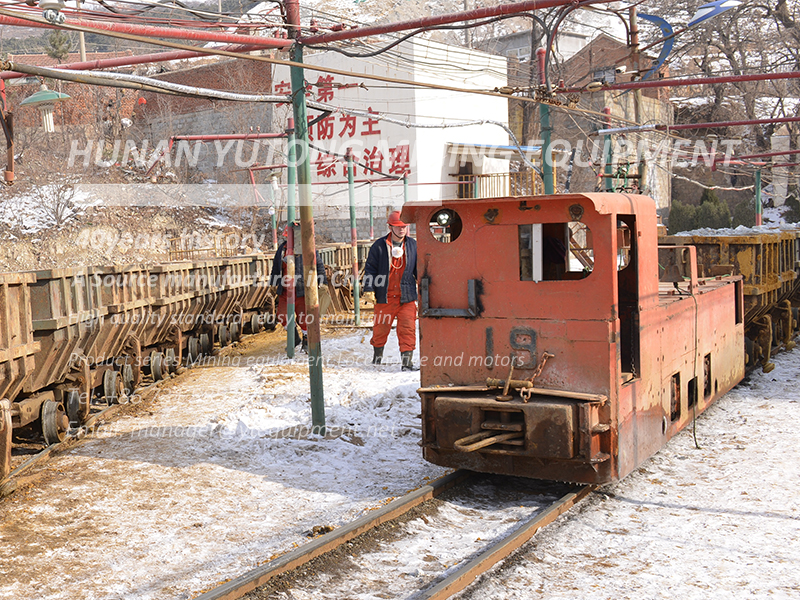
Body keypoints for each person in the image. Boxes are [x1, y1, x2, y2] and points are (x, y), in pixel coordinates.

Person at [363, 210, 418, 370]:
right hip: (384, 297)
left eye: (404, 227)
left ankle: (407, 364)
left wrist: (424, 289)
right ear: (390, 227)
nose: (402, 230)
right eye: (398, 226)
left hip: (406, 297)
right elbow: (370, 269)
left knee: (408, 330)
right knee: (380, 330)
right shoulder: (379, 246)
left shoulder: (413, 245)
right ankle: (377, 360)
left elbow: (419, 270)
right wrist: (368, 288)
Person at [269, 222, 327, 353]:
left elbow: (319, 267)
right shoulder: (282, 249)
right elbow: (275, 268)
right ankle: (295, 339)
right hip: (285, 291)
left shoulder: (309, 249)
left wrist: (322, 283)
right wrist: (273, 283)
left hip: (302, 290)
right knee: (282, 316)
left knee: (303, 318)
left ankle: (306, 339)